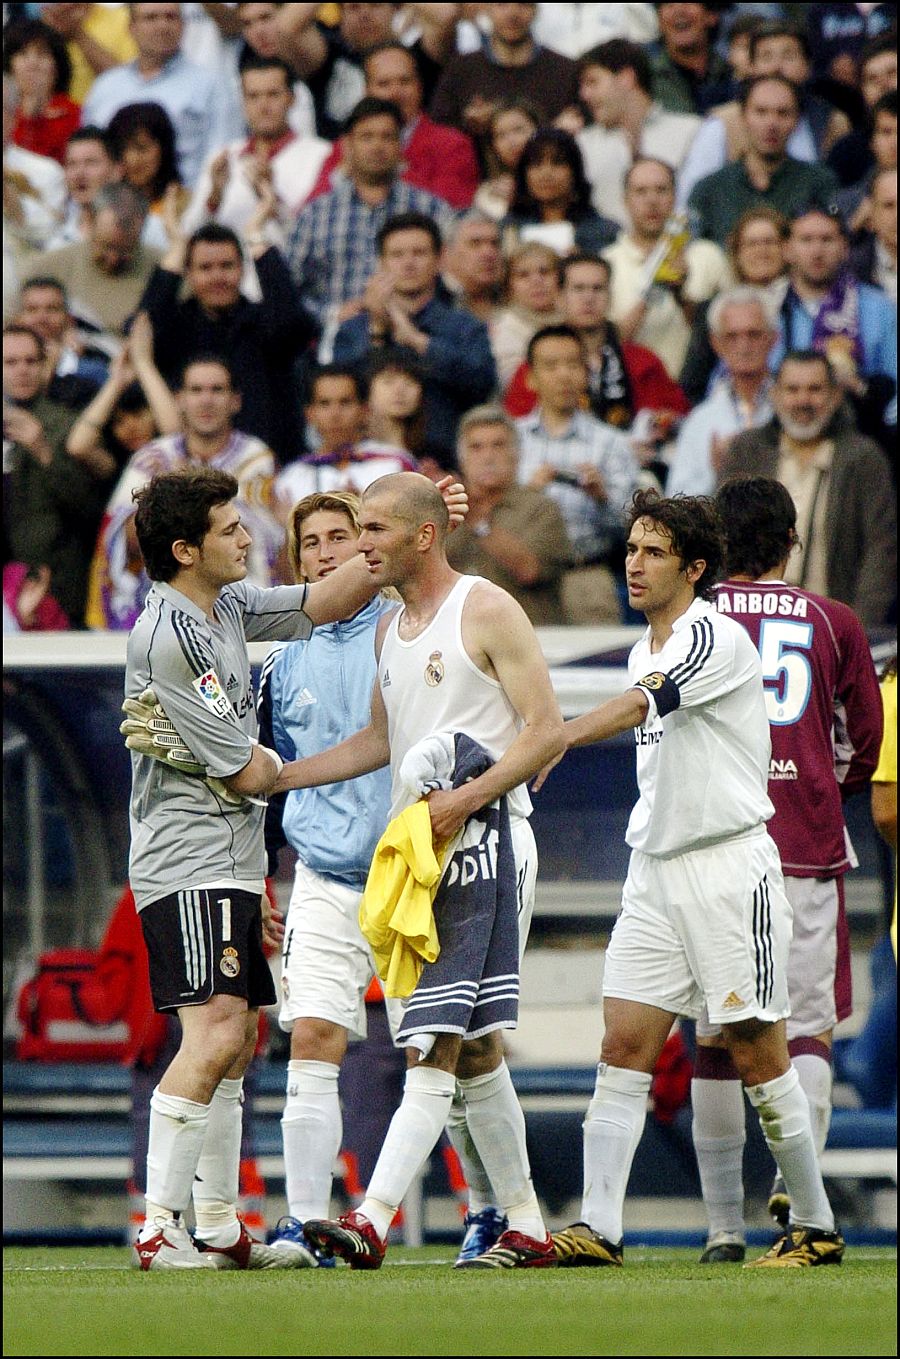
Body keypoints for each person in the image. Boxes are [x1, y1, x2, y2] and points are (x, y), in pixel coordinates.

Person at [539, 486, 845, 1270]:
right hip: (655, 871)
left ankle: (814, 1220)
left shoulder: (714, 637)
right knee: (623, 1044)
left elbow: (643, 706)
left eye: (653, 552)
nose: (633, 564)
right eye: (631, 549)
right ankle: (600, 1225)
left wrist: (552, 738)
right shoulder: (646, 644)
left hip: (727, 867)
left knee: (754, 1044)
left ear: (696, 567)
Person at [267, 470, 566, 1271]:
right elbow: (378, 741)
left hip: (489, 845)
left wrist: (461, 800)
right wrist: (279, 775)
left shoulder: (487, 607)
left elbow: (546, 731)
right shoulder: (391, 628)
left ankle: (370, 1219)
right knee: (471, 1049)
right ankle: (527, 1223)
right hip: (421, 855)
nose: (359, 546)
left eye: (371, 529)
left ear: (422, 536)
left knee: (437, 1038)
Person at [117, 462, 395, 1270]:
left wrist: (399, 535)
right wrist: (342, 755)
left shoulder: (227, 605)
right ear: (184, 548)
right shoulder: (170, 637)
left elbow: (327, 598)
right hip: (187, 859)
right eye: (231, 527)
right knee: (212, 1035)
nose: (250, 535)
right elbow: (247, 773)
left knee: (237, 1042)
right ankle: (158, 1226)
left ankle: (219, 1223)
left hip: (231, 858)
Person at [689, 475, 883, 1263]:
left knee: (713, 1033)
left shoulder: (695, 618)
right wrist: (815, 782)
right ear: (793, 541)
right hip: (801, 842)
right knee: (808, 1027)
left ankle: (722, 1228)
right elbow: (863, 740)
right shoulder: (834, 620)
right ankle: (797, 1188)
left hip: (710, 847)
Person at [254, 488, 408, 1259]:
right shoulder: (280, 662)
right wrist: (260, 880)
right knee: (314, 1034)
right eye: (309, 541)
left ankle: (498, 1208)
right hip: (321, 873)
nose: (323, 552)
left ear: (366, 547)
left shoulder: (404, 632)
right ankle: (305, 1222)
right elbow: (255, 782)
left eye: (337, 536)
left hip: (414, 876)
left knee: (456, 1052)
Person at [90, 352, 286, 631]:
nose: (206, 400)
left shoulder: (257, 459)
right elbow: (127, 537)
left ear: (235, 400)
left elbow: (264, 540)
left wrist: (175, 507)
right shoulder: (153, 457)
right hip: (161, 615)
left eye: (217, 390)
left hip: (242, 613)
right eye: (196, 390)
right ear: (179, 399)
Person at [719, 349, 897, 626]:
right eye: (793, 389)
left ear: (835, 396)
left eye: (815, 389)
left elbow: (882, 551)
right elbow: (718, 538)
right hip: (749, 627)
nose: (803, 400)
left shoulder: (865, 459)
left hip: (833, 628)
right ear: (775, 395)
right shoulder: (746, 453)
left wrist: (856, 630)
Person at [140, 202, 316, 466]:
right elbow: (141, 329)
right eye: (205, 268)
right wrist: (177, 249)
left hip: (269, 465)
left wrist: (256, 236)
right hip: (190, 468)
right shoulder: (176, 326)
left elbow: (296, 325)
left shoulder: (266, 322)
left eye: (226, 266)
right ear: (188, 273)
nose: (217, 277)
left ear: (242, 270)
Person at [333, 211, 497, 471]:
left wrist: (420, 343)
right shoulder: (353, 330)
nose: (408, 264)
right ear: (381, 263)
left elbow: (482, 383)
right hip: (365, 465)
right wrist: (377, 331)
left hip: (447, 465)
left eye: (419, 253)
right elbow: (342, 394)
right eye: (397, 255)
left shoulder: (465, 326)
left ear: (440, 259)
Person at [286, 96, 455, 341]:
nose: (377, 146)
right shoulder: (315, 215)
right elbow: (289, 291)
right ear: (347, 146)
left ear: (401, 145)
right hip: (339, 343)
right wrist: (331, 314)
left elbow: (453, 282)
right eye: (366, 137)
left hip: (417, 339)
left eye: (387, 137)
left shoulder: (432, 209)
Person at [515, 323, 639, 625]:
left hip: (588, 574)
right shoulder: (509, 440)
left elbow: (633, 527)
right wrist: (527, 495)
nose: (564, 375)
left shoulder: (612, 442)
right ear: (530, 378)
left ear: (587, 373)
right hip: (520, 577)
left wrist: (602, 497)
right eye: (551, 365)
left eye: (573, 365)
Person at [504, 253, 690, 437]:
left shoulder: (643, 361)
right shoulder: (539, 365)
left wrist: (662, 425)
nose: (588, 298)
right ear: (559, 297)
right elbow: (515, 430)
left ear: (610, 297)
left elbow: (680, 418)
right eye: (578, 289)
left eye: (597, 288)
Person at [3, 322, 114, 626]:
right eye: (10, 362)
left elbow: (90, 509)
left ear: (45, 366)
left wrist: (42, 451)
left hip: (58, 590)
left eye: (31, 361)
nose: (22, 370)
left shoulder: (71, 425)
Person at [676, 20, 852, 209]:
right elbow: (690, 197)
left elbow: (841, 200)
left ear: (807, 66)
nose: (777, 66)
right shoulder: (723, 122)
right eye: (766, 57)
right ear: (751, 67)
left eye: (789, 56)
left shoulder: (833, 122)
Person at [80, 1, 243, 189]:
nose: (162, 25)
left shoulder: (211, 86)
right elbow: (87, 155)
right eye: (151, 18)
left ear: (183, 25)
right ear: (131, 27)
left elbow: (222, 156)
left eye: (170, 17)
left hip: (185, 206)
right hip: (110, 208)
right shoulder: (105, 86)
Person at [181, 54, 331, 252]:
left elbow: (319, 237)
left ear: (291, 99)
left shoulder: (321, 155)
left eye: (273, 95)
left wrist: (272, 198)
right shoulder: (224, 157)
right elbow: (188, 235)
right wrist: (214, 197)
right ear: (243, 101)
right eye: (253, 96)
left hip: (285, 277)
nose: (263, 106)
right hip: (226, 277)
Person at [775, 206, 897, 446]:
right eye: (806, 240)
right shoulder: (768, 307)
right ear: (787, 249)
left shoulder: (879, 308)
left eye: (827, 240)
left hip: (864, 436)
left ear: (844, 248)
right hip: (784, 435)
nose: (817, 250)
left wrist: (860, 387)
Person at [313, 41, 481, 212]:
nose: (395, 93)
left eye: (404, 81)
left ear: (419, 86)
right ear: (366, 90)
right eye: (383, 84)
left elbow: (451, 210)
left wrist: (392, 168)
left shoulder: (452, 145)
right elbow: (312, 209)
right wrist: (340, 175)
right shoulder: (349, 145)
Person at [603, 157, 731, 380]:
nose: (652, 200)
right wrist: (653, 290)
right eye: (641, 192)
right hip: (632, 390)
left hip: (698, 389)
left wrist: (680, 295)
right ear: (625, 200)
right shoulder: (607, 262)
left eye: (661, 190)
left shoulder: (708, 255)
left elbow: (728, 335)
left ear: (675, 196)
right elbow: (605, 346)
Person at [446, 404, 570, 627]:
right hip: (456, 638)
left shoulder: (541, 508)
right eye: (476, 448)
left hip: (528, 638)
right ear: (461, 459)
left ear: (517, 454)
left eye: (498, 446)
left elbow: (529, 570)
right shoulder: (444, 513)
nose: (488, 457)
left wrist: (478, 523)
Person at [686, 75, 841, 248]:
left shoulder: (819, 182)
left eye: (783, 113)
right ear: (743, 117)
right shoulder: (709, 189)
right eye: (761, 112)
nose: (771, 124)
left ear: (797, 120)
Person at [275, 2, 456, 141]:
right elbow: (285, 26)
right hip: (342, 174)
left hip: (417, 165)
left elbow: (446, 14)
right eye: (353, 7)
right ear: (341, 16)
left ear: (395, 10)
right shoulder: (328, 60)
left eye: (375, 4)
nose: (365, 14)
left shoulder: (415, 59)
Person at [576, 38, 700, 228]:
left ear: (626, 78)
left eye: (592, 82)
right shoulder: (582, 145)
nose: (584, 94)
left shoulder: (692, 132)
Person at [666, 287, 778, 496]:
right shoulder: (700, 421)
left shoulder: (794, 407)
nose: (744, 346)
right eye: (732, 336)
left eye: (753, 334)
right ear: (716, 344)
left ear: (773, 339)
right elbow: (678, 500)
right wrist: (720, 473)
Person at [679, 205, 790, 404]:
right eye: (751, 244)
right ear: (736, 253)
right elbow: (693, 384)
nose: (761, 251)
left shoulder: (799, 305)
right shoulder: (713, 310)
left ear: (786, 249)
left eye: (769, 242)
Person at [275, 363, 419, 514]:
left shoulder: (396, 466)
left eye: (345, 402)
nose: (335, 414)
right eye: (325, 404)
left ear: (364, 410)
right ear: (310, 413)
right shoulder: (291, 478)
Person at [23, 182, 161, 339]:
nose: (113, 259)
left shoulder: (162, 270)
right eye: (106, 247)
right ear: (90, 222)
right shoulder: (47, 268)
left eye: (126, 250)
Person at [429, 2, 580, 139]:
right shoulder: (461, 70)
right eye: (502, 4)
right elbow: (437, 130)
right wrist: (467, 124)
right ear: (486, 9)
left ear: (535, 10)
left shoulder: (564, 71)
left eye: (523, 4)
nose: (512, 13)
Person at [501, 127, 620, 259]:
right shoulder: (508, 229)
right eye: (536, 164)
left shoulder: (604, 233)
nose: (546, 174)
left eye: (558, 163)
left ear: (574, 171)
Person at [49, 124, 169, 253]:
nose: (79, 174)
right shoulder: (59, 241)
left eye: (91, 163)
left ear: (117, 170)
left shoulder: (150, 230)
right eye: (72, 164)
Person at [3, 17, 80, 164]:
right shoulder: (6, 113)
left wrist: (35, 120)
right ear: (9, 65)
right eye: (22, 53)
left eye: (42, 54)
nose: (33, 63)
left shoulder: (73, 114)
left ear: (57, 66)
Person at [490, 241, 564, 393]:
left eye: (544, 272)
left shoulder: (574, 320)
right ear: (509, 287)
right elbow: (513, 383)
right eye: (523, 275)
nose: (536, 281)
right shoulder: (504, 327)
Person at [107, 99, 188, 221]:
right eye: (122, 149)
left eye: (142, 148)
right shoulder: (102, 203)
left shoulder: (186, 204)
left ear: (164, 149)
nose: (132, 159)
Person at [649, 2, 732, 116]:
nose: (679, 10)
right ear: (659, 21)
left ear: (711, 15)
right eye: (669, 4)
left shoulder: (733, 75)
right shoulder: (647, 79)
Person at [473, 97, 542, 224]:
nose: (512, 141)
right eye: (501, 135)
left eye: (518, 130)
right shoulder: (487, 195)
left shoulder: (564, 179)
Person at [440, 212, 505, 327]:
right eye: (475, 243)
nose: (489, 253)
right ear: (446, 253)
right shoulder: (429, 299)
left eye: (495, 244)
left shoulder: (512, 296)